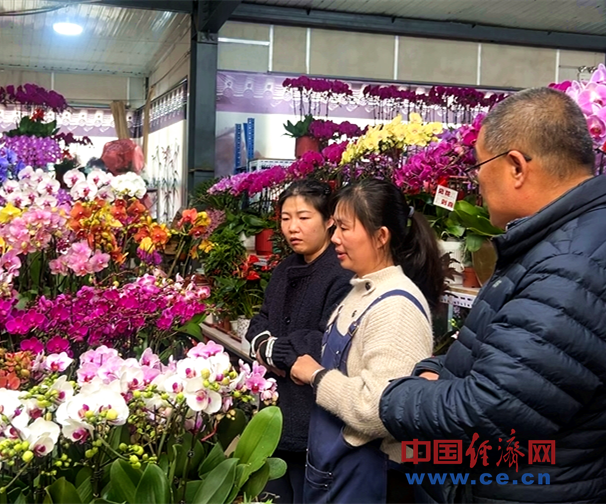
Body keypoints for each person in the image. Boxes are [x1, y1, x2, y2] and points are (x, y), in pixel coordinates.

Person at [378, 87, 606, 504]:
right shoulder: (561, 242)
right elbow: (501, 355)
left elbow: (492, 410)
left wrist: (396, 396)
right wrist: (434, 369)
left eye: (479, 165)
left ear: (516, 166)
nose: (476, 181)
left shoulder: (573, 265)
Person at [290, 178, 445, 504]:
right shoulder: (360, 290)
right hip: (335, 470)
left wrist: (317, 376)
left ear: (381, 236)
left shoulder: (396, 306)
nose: (335, 237)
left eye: (344, 228)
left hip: (369, 478)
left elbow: (380, 408)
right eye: (335, 227)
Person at [245, 179, 354, 504]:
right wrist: (270, 347)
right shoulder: (284, 269)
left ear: (329, 220)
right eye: (285, 218)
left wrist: (272, 350)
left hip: (315, 422)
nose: (293, 227)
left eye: (304, 217)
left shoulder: (341, 272)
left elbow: (324, 341)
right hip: (276, 418)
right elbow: (259, 322)